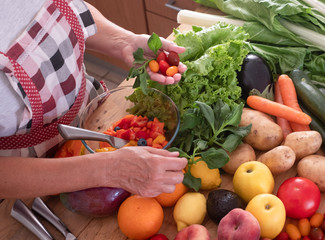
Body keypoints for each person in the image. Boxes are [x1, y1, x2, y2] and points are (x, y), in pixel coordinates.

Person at [0, 0, 187, 199]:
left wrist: (123, 41)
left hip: (94, 117)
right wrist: (109, 169)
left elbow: (65, 9)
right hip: (31, 180)